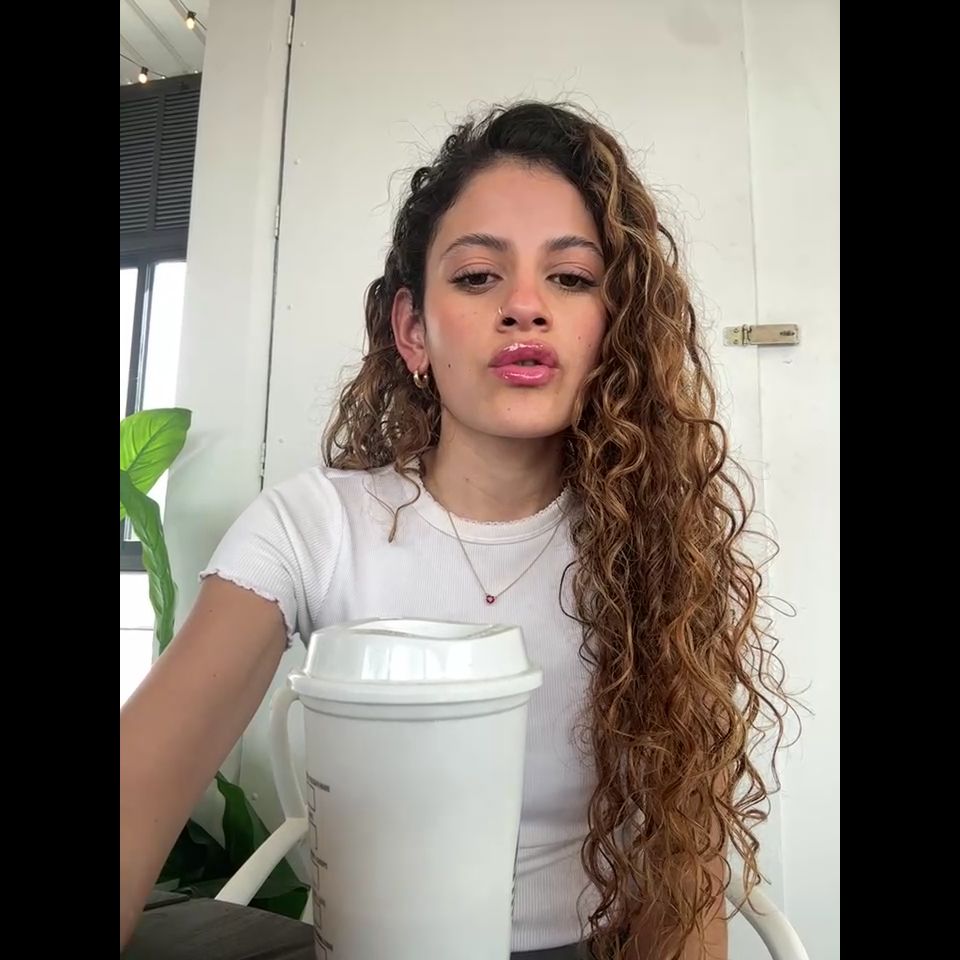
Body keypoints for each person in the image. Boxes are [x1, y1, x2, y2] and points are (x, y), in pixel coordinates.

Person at [120, 100, 792, 960]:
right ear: (413, 331)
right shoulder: (309, 528)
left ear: (614, 328)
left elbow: (683, 871)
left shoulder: (659, 545)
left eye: (571, 278)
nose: (525, 307)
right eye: (477, 277)